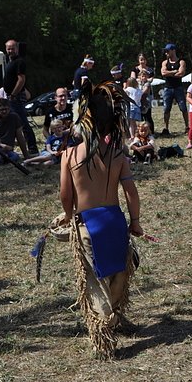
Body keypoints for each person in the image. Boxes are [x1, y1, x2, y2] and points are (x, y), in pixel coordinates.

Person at [58, 80, 143, 358]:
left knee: (96, 281)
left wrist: (69, 215)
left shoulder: (69, 155)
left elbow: (65, 194)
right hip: (115, 221)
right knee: (119, 273)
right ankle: (114, 318)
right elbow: (131, 192)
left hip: (87, 224)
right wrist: (135, 222)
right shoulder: (119, 154)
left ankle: (103, 331)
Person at [3, 39, 38, 155]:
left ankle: (32, 148)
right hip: (11, 96)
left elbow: (21, 80)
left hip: (16, 96)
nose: (10, 50)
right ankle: (10, 147)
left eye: (12, 48)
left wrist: (13, 94)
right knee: (14, 122)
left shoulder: (19, 62)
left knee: (22, 122)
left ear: (17, 49)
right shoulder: (10, 62)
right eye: (8, 48)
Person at [160, 43, 187, 136]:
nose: (166, 53)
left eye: (168, 51)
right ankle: (166, 128)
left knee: (183, 108)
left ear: (173, 50)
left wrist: (169, 73)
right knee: (166, 109)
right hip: (167, 88)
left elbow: (181, 73)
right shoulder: (164, 62)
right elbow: (163, 73)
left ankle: (187, 127)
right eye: (165, 51)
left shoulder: (181, 62)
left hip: (178, 87)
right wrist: (174, 72)